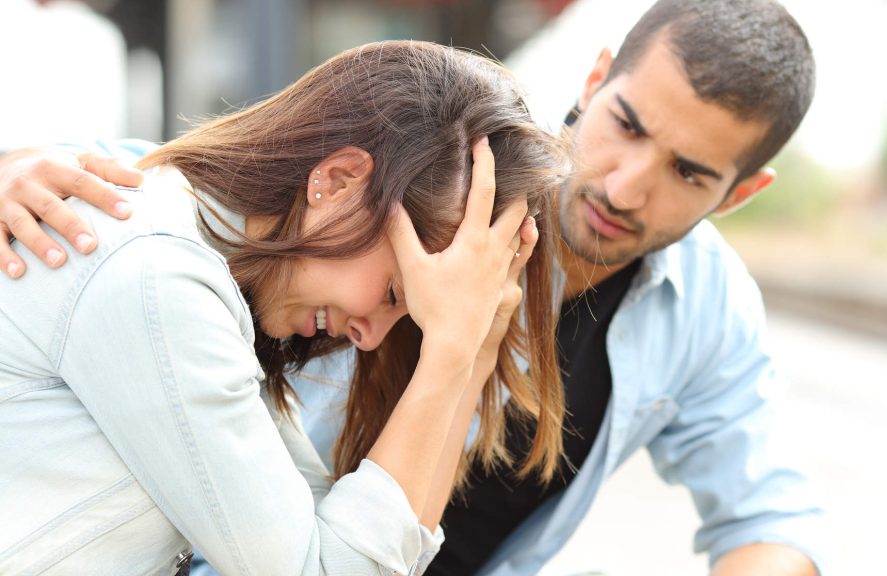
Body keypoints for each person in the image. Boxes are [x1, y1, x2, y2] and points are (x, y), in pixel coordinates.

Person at [0, 1, 827, 574]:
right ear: (597, 78)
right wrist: (12, 170)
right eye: (628, 126)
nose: (625, 186)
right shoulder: (447, 178)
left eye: (688, 172)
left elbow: (770, 520)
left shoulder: (707, 309)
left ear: (741, 193)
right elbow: (205, 195)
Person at [0, 40, 570, 575]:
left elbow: (370, 553)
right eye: (395, 293)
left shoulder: (215, 286)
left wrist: (474, 350)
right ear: (339, 182)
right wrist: (449, 353)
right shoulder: (157, 279)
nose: (369, 338)